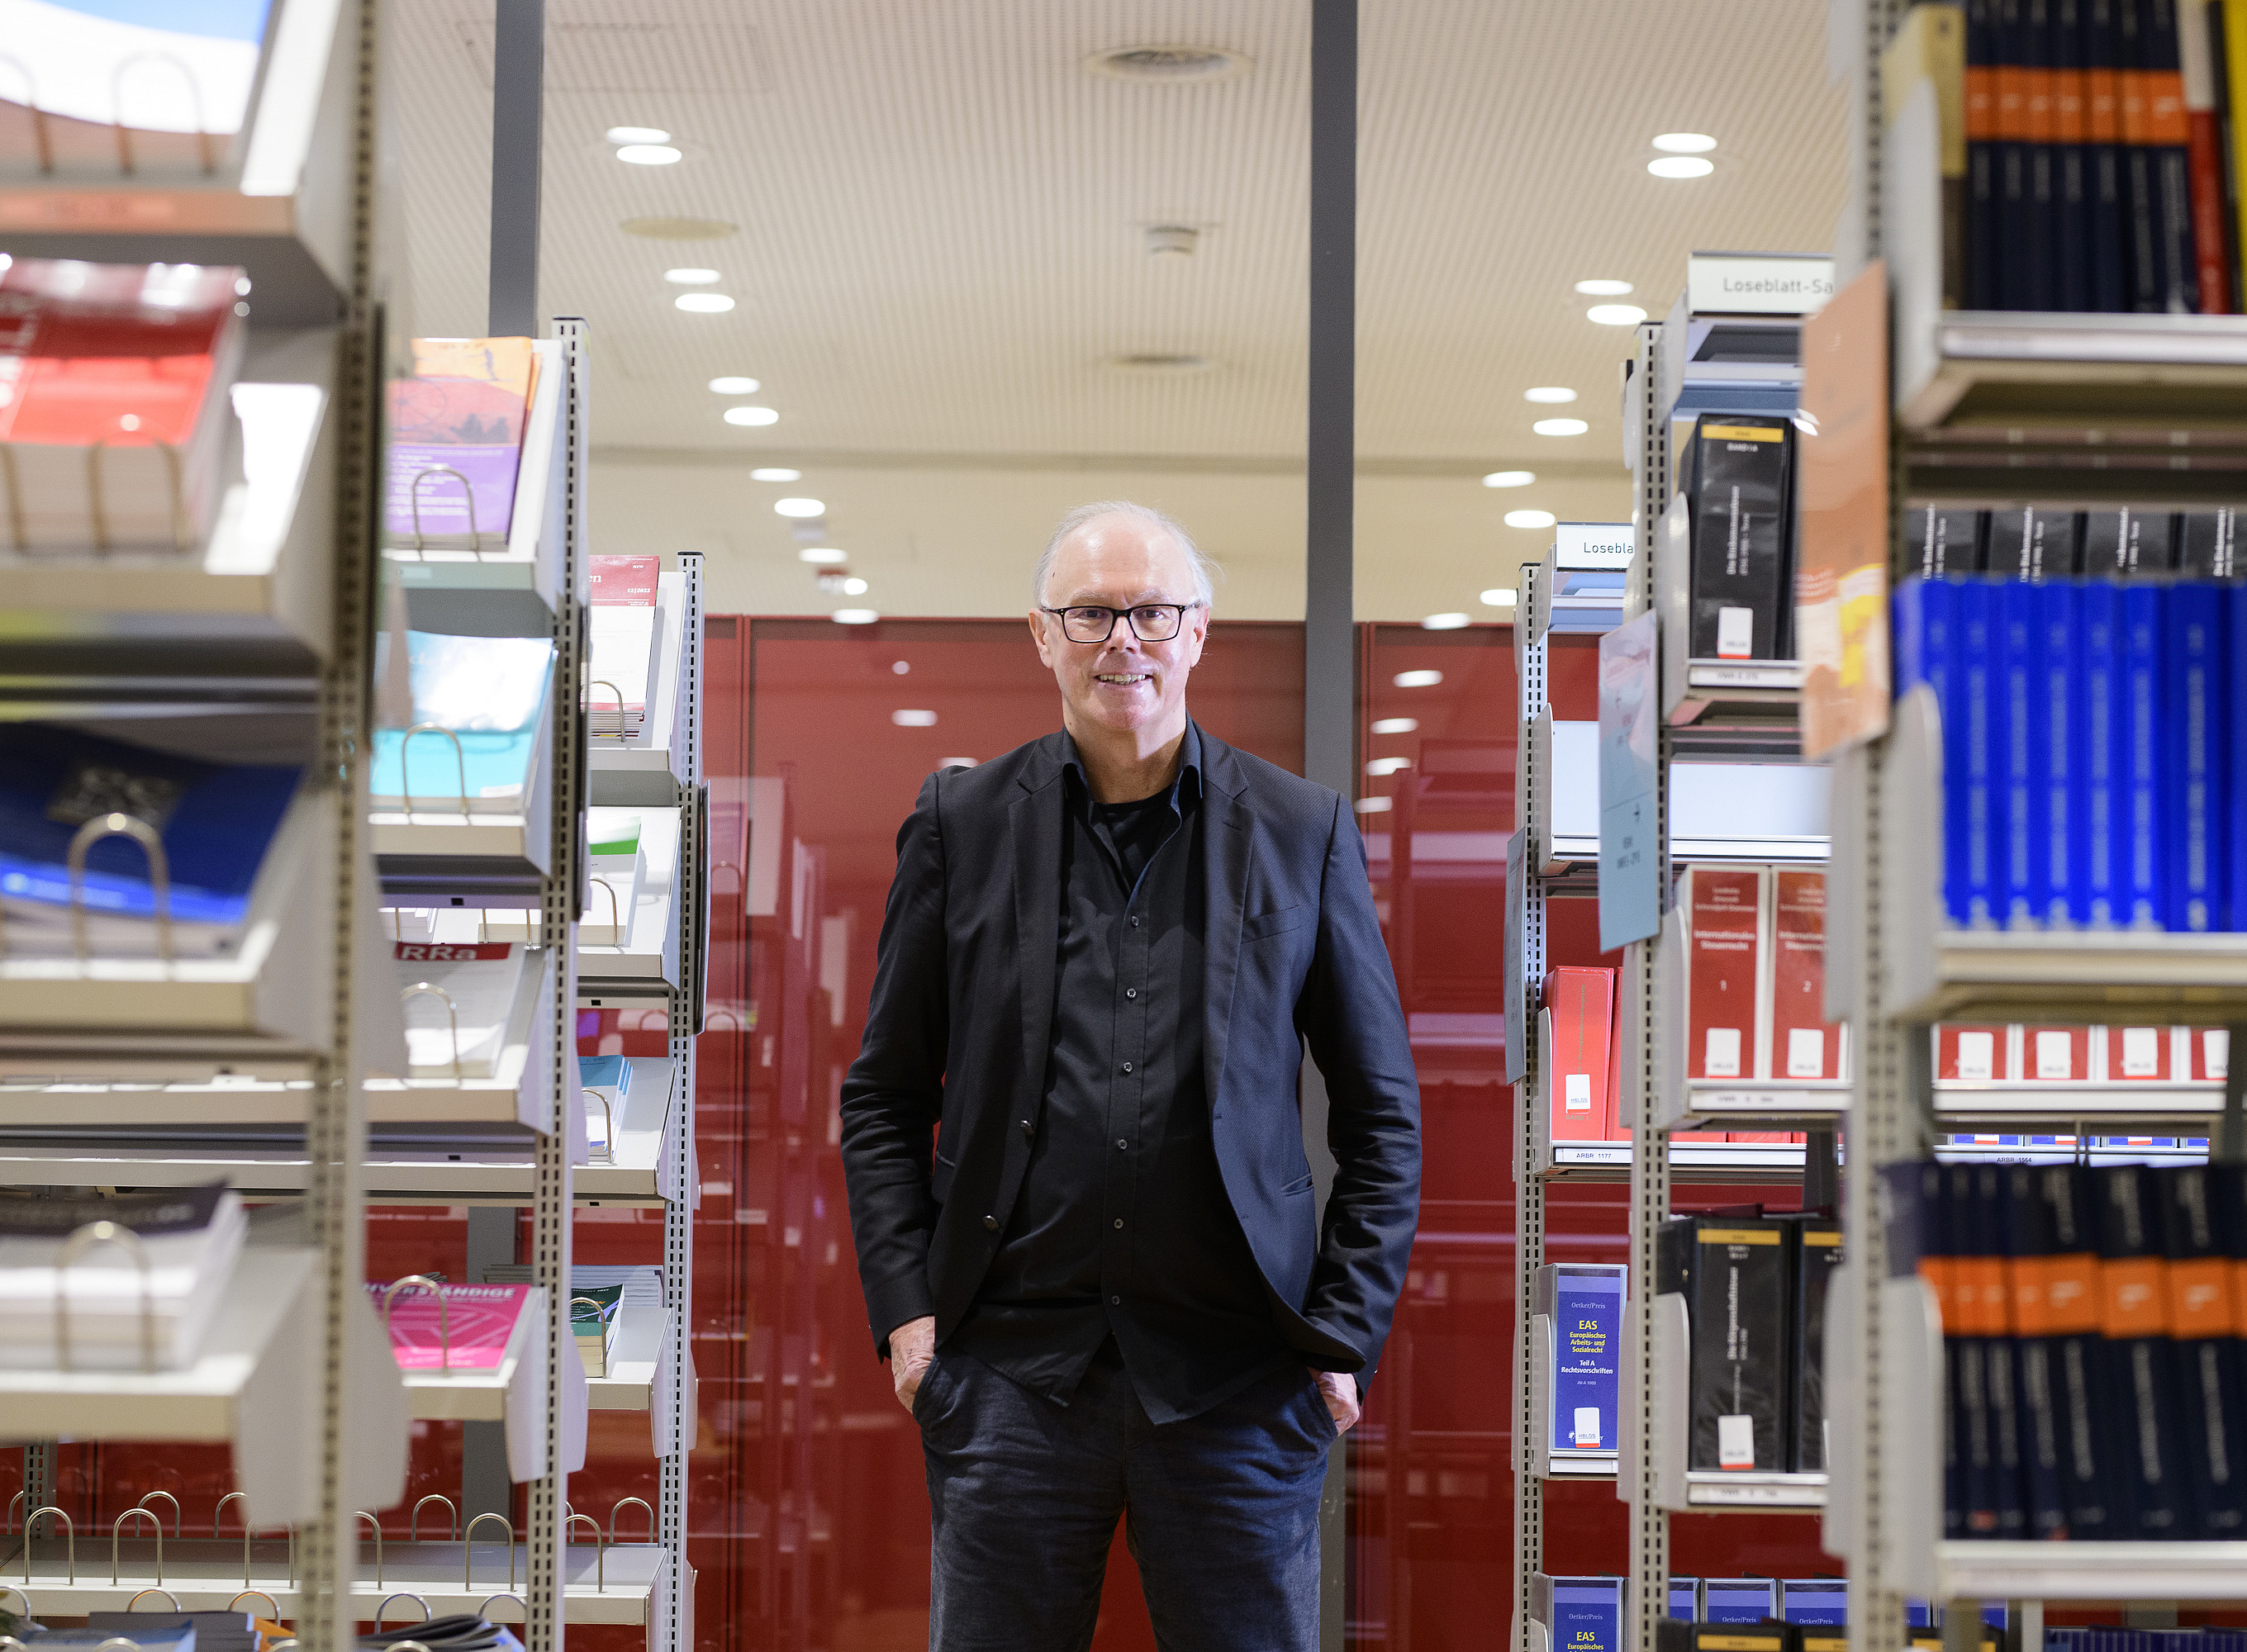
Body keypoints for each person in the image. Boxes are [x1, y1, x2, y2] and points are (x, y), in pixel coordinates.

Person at [839, 500, 1421, 1652]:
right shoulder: (960, 824)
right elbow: (886, 1096)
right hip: (1006, 1378)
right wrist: (908, 1319)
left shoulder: (1298, 829)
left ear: (1198, 630)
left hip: (1238, 1383)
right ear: (1040, 635)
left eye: (1150, 610)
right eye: (1091, 612)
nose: (1124, 639)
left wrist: (1344, 1331)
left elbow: (1381, 1111)